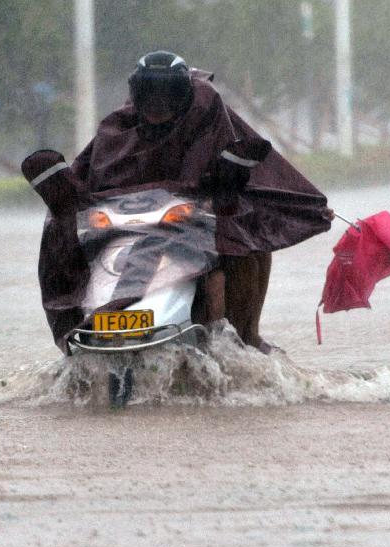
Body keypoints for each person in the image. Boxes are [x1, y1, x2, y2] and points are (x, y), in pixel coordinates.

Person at [68, 51, 333, 352]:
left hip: (192, 225)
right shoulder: (117, 128)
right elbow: (88, 177)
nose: (158, 104)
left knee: (246, 250)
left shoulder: (207, 115)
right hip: (128, 226)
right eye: (150, 95)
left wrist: (306, 206)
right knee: (70, 259)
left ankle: (245, 337)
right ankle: (79, 329)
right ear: (137, 95)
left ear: (182, 95)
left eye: (167, 95)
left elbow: (264, 173)